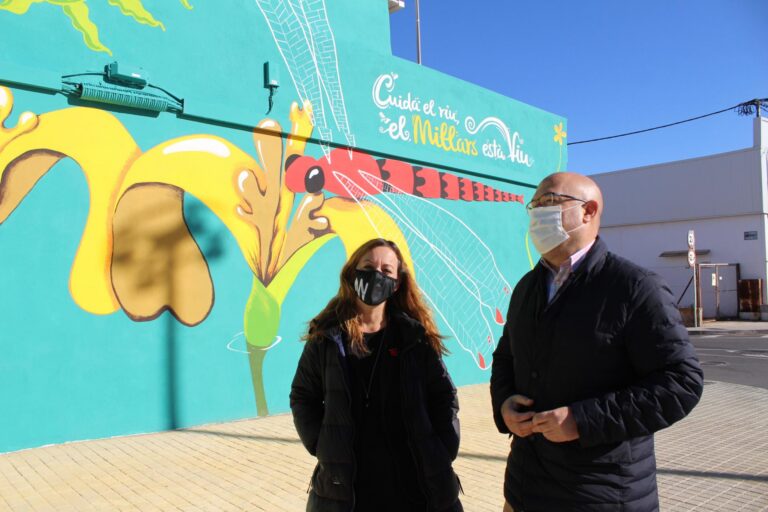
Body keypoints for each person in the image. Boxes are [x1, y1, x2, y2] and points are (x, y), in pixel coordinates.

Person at [490, 172, 703, 512]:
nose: (538, 214)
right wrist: (504, 405)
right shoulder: (527, 288)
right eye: (535, 205)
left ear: (589, 211)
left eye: (550, 203)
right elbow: (505, 358)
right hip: (524, 490)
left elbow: (681, 383)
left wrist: (583, 420)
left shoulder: (634, 287)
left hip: (600, 493)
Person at [291, 238, 463, 512]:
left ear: (396, 283)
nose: (376, 275)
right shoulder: (326, 338)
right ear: (352, 273)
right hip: (348, 488)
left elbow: (443, 396)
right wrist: (322, 445)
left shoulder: (414, 338)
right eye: (368, 266)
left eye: (386, 270)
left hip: (416, 485)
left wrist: (442, 449)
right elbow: (303, 396)